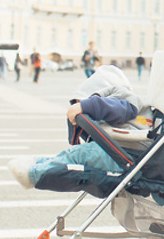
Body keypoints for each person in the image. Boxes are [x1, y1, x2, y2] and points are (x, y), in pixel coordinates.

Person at [8, 66, 147, 189]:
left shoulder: (126, 99)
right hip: (122, 154)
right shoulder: (116, 106)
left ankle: (33, 174)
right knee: (73, 154)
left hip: (129, 156)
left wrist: (86, 106)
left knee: (79, 155)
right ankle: (37, 163)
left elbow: (115, 108)